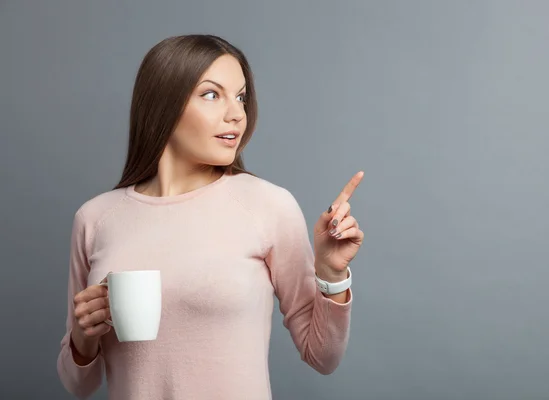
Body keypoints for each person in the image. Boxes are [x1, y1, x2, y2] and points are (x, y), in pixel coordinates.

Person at [56, 34, 365, 400]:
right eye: (211, 94)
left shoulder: (267, 205)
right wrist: (82, 334)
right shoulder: (95, 218)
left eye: (241, 96)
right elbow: (78, 385)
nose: (236, 113)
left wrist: (330, 275)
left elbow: (322, 356)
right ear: (162, 105)